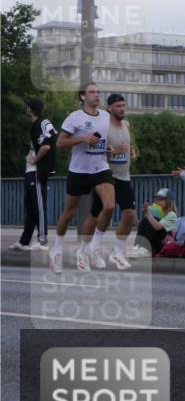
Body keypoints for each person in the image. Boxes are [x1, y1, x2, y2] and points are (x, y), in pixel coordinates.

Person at [50, 83, 115, 274]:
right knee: (70, 211)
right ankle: (57, 249)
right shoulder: (74, 118)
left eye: (98, 92)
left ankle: (90, 249)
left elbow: (104, 140)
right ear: (82, 97)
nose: (96, 95)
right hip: (79, 170)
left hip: (100, 168)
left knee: (109, 206)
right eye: (92, 92)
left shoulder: (105, 116)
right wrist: (83, 139)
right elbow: (60, 143)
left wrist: (109, 149)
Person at [80, 93, 138, 270]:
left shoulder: (126, 125)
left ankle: (117, 251)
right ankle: (87, 249)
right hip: (105, 176)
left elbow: (129, 145)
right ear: (109, 108)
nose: (122, 109)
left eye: (123, 105)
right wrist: (111, 152)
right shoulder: (102, 127)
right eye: (118, 106)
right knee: (100, 212)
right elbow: (90, 149)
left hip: (124, 176)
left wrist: (133, 152)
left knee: (129, 215)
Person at [15, 98, 57, 251]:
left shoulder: (40, 123)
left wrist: (35, 160)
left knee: (39, 207)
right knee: (31, 208)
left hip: (37, 172)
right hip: (31, 171)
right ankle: (24, 241)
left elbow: (46, 146)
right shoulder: (41, 123)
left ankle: (42, 240)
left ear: (29, 109)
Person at [136, 188, 179, 255]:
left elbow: (158, 227)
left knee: (153, 219)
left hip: (165, 243)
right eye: (156, 199)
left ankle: (144, 248)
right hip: (157, 242)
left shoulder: (172, 214)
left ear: (168, 201)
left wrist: (147, 213)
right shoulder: (158, 211)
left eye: (161, 199)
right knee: (146, 220)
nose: (158, 201)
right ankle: (138, 246)